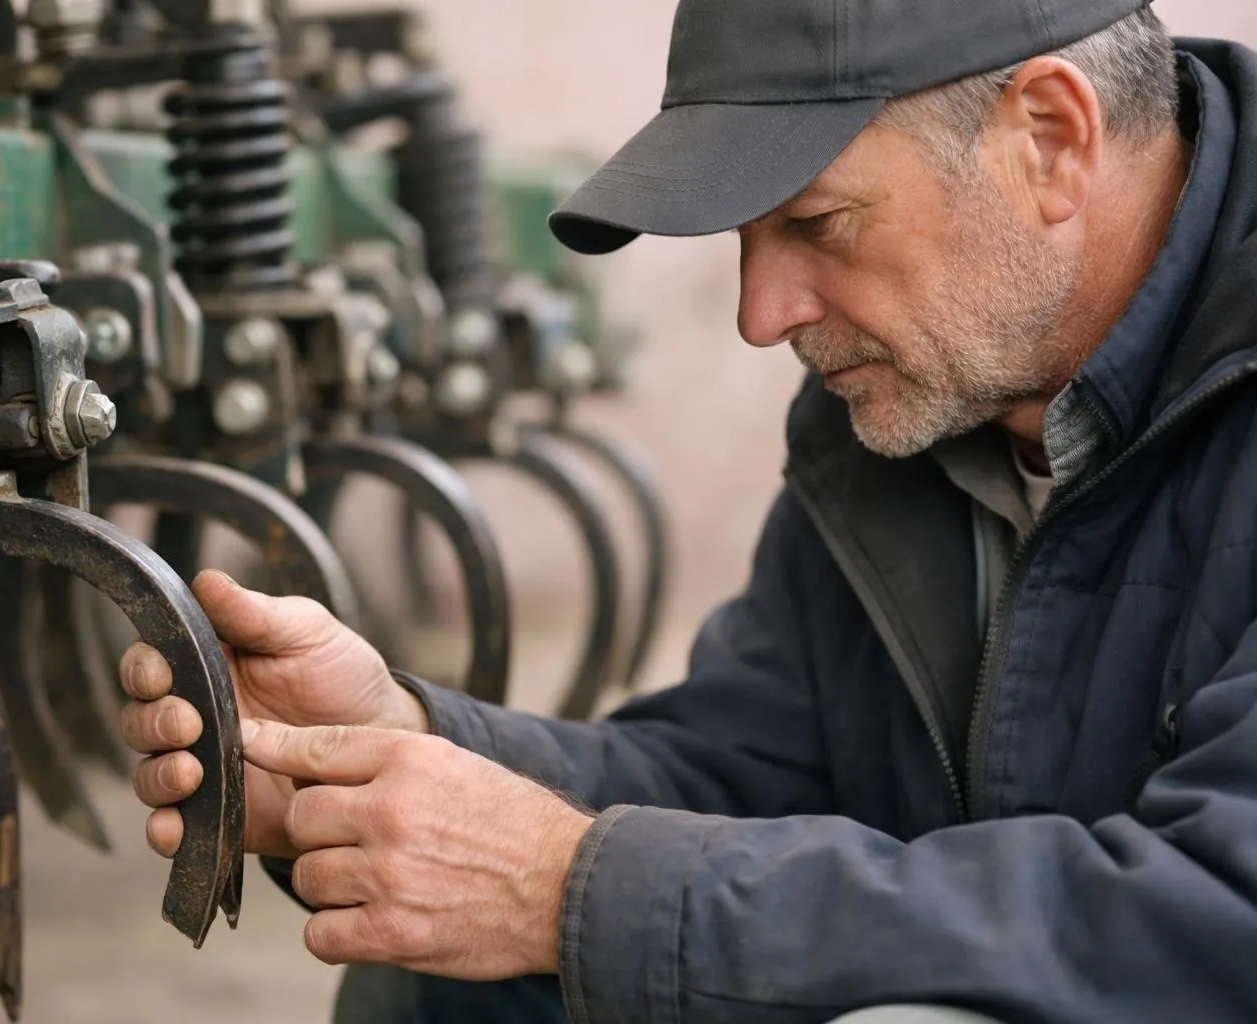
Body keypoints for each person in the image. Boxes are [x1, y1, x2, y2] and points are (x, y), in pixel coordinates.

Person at [114, 0, 1257, 1020]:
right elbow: (747, 772)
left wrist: (567, 886)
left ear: (1051, 139)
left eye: (815, 222)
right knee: (444, 959)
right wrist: (397, 751)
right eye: (745, 242)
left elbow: (1212, 918)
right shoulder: (909, 410)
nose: (765, 316)